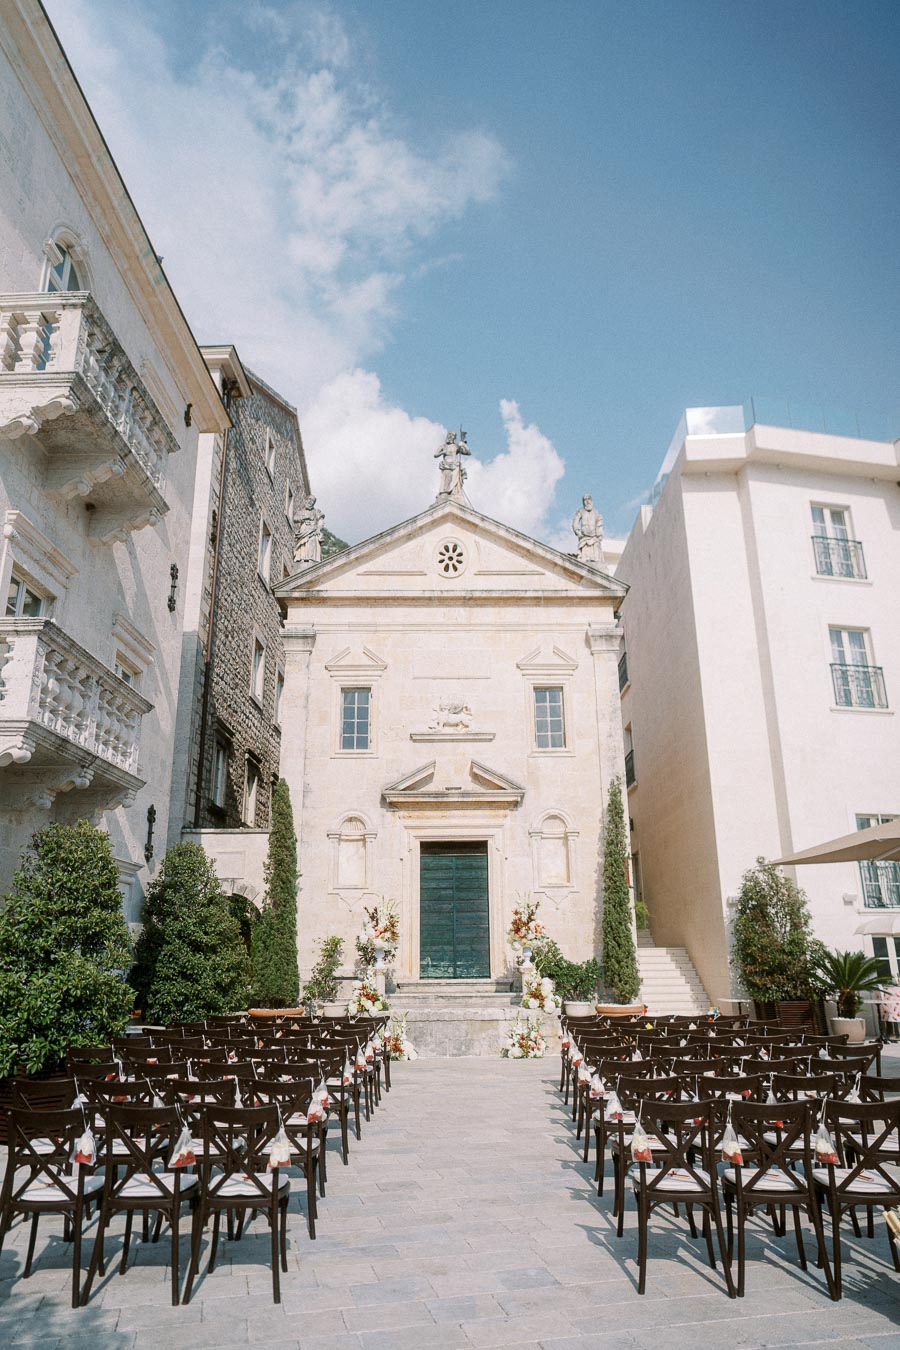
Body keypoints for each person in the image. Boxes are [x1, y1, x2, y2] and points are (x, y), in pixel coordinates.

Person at [572, 493, 604, 563]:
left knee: (596, 559)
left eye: (589, 499)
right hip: (584, 538)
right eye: (585, 500)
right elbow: (575, 522)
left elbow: (600, 524)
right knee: (584, 559)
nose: (587, 501)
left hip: (594, 538)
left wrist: (599, 535)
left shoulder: (597, 513)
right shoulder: (581, 511)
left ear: (592, 501)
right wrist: (578, 532)